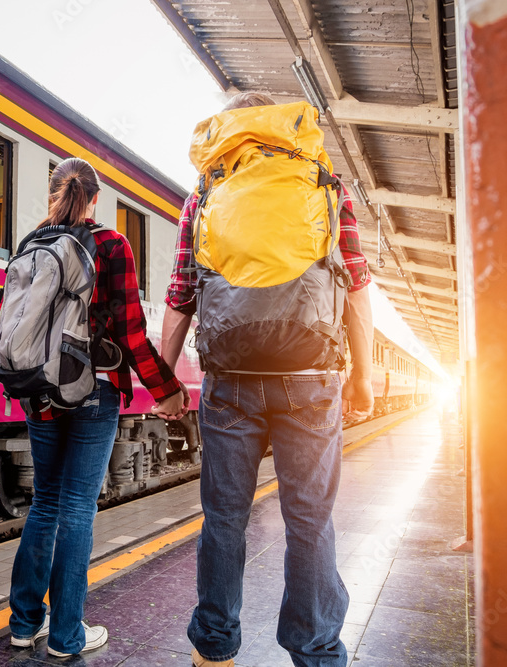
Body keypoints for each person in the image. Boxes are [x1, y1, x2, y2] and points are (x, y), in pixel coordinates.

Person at [156, 92, 375, 667]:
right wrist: (364, 378)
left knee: (225, 517)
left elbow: (181, 294)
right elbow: (356, 288)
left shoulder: (206, 190)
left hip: (230, 379)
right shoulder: (325, 182)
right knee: (308, 518)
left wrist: (164, 382)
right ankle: (316, 649)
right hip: (311, 377)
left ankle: (215, 647)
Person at [8, 157, 186, 657]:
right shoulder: (111, 244)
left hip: (39, 391)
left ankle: (24, 624)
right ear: (96, 198)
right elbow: (130, 331)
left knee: (44, 503)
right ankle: (67, 636)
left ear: (54, 195)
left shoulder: (32, 243)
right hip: (94, 390)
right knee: (78, 508)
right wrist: (165, 388)